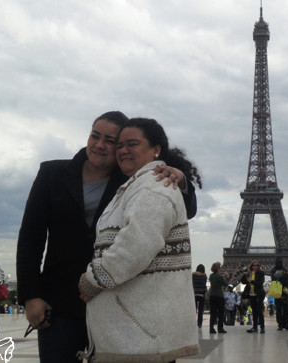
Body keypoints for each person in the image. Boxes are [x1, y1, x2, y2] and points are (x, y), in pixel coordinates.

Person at [16, 111, 197, 362]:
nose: (100, 145)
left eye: (111, 141)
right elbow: (30, 238)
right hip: (59, 303)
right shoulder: (51, 174)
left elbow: (182, 209)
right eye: (95, 136)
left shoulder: (136, 179)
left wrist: (181, 179)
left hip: (115, 303)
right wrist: (31, 296)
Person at [77, 117, 201, 362]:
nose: (122, 150)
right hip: (136, 333)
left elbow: (136, 245)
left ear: (156, 149)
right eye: (120, 145)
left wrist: (92, 279)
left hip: (140, 338)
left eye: (131, 144)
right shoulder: (138, 183)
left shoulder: (154, 185)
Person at [241, 260, 266, 333]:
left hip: (259, 294)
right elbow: (243, 282)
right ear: (251, 266)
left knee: (259, 311)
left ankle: (262, 327)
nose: (255, 266)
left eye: (256, 265)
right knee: (254, 312)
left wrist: (251, 281)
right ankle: (255, 327)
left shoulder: (261, 273)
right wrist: (244, 275)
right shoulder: (249, 273)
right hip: (252, 295)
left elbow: (260, 283)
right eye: (253, 265)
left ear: (259, 266)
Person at [208, 261, 229, 334]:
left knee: (213, 313)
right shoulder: (220, 276)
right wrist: (225, 277)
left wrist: (222, 276)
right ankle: (220, 328)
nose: (220, 269)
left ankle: (211, 328)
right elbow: (226, 284)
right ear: (218, 269)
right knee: (220, 313)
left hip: (212, 296)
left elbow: (216, 279)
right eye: (220, 268)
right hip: (219, 296)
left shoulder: (211, 276)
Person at [270, 258, 288, 331]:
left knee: (280, 309)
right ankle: (284, 324)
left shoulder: (273, 270)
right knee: (284, 309)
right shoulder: (285, 270)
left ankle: (281, 324)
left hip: (278, 291)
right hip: (283, 291)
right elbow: (287, 279)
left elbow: (273, 278)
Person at [192, 264, 207, 328]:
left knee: (194, 310)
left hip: (194, 293)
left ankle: (192, 322)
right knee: (200, 310)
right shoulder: (204, 276)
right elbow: (204, 283)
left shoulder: (193, 275)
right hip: (201, 294)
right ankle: (200, 324)